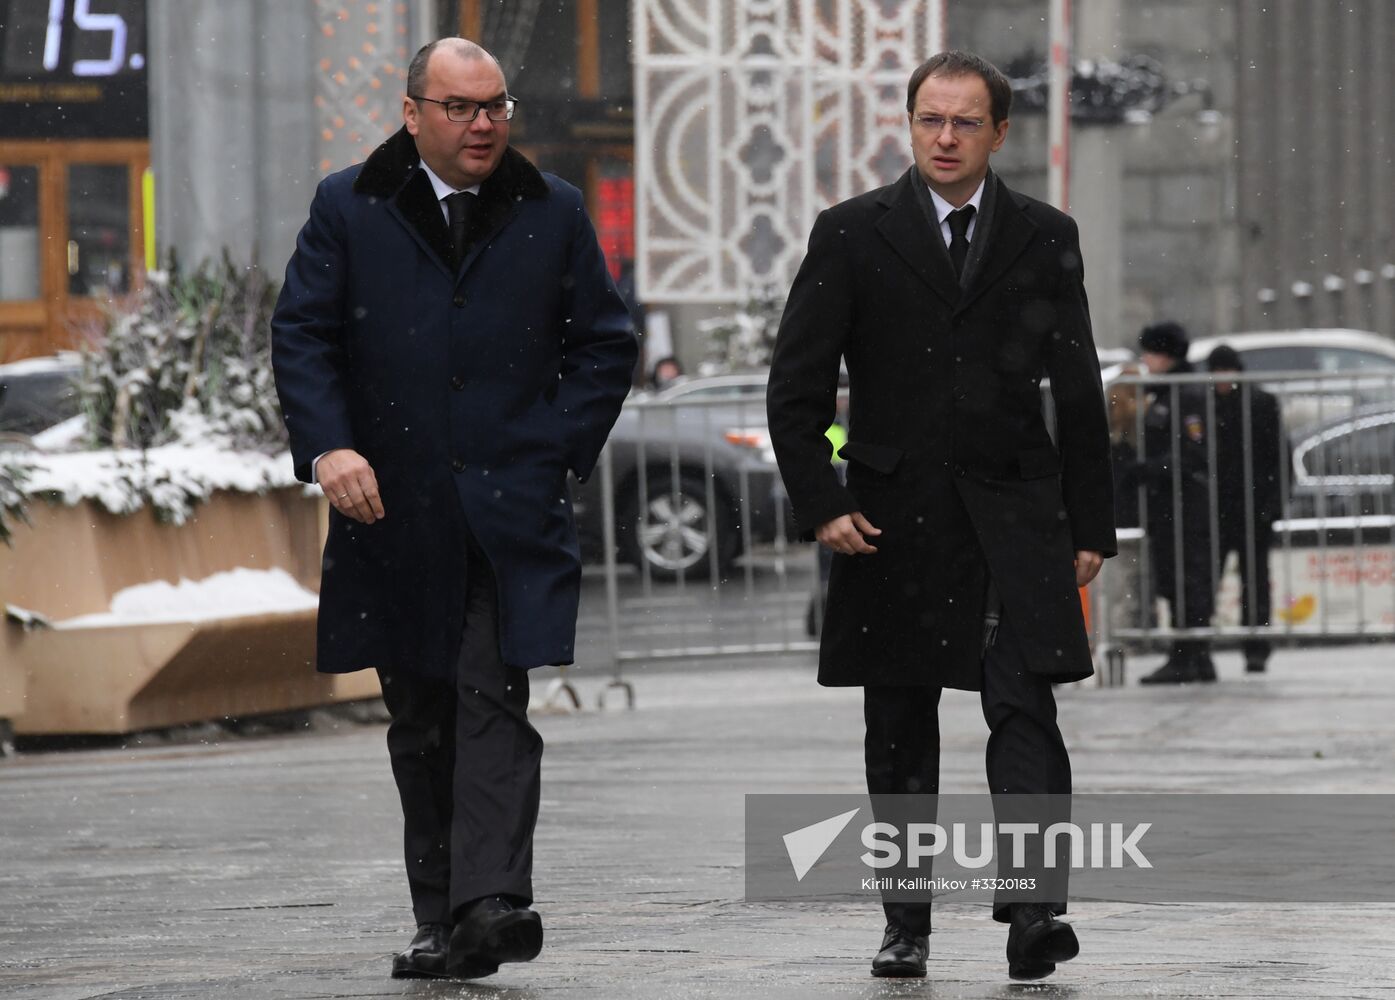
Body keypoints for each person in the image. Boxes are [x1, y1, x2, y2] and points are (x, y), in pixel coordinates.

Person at [270, 38, 637, 981]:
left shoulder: (548, 209)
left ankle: (494, 901)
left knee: (490, 695)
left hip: (508, 511)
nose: (484, 126)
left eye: (496, 107)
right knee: (421, 714)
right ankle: (441, 915)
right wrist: (329, 445)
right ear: (412, 113)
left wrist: (552, 445)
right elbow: (303, 333)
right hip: (390, 508)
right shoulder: (347, 205)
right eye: (462, 108)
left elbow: (603, 344)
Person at [766, 50, 1115, 982]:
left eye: (965, 122)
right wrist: (823, 502)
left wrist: (1091, 525)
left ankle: (1036, 909)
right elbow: (795, 388)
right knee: (898, 724)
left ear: (1000, 133)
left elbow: (1076, 389)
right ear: (909, 125)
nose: (946, 137)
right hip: (893, 516)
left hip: (1014, 510)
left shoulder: (1044, 235)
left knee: (1024, 706)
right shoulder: (850, 233)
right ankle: (905, 922)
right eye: (930, 119)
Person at [1133, 322, 1217, 684]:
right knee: (1173, 576)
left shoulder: (1185, 394)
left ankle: (1190, 654)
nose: (1144, 360)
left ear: (1165, 355)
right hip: (1168, 502)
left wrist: (1150, 469)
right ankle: (1190, 654)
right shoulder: (1166, 392)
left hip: (1185, 503)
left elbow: (1193, 453)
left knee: (1187, 577)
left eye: (1150, 352)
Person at [1206, 344, 1285, 673]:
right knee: (1208, 579)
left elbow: (1277, 456)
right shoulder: (1205, 403)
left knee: (1254, 581)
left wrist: (1272, 505)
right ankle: (1199, 644)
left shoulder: (1260, 403)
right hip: (1218, 508)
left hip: (1252, 507)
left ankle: (1256, 647)